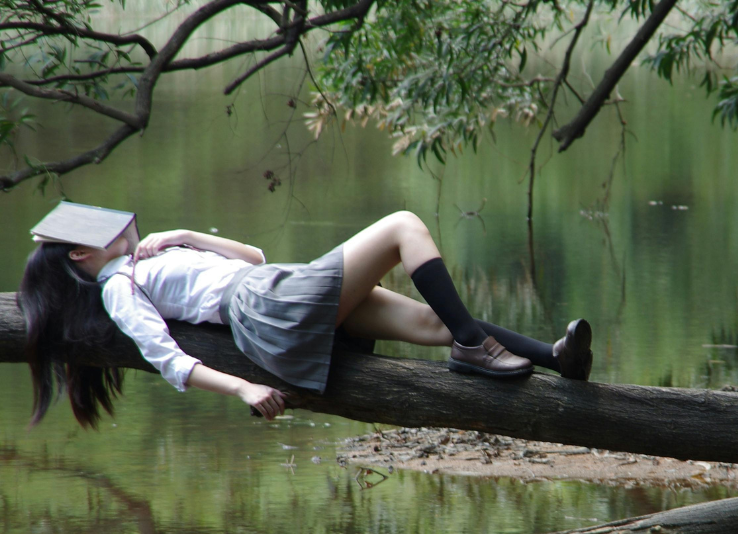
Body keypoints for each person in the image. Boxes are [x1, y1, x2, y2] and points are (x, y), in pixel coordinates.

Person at [18, 209, 593, 426]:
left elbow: (254, 258)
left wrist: (187, 234)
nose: (124, 227)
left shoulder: (147, 258)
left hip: (271, 285)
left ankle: (554, 359)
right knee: (402, 227)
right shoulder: (119, 286)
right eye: (106, 231)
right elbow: (166, 357)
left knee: (433, 324)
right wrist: (243, 388)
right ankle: (473, 348)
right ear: (80, 255)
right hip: (266, 307)